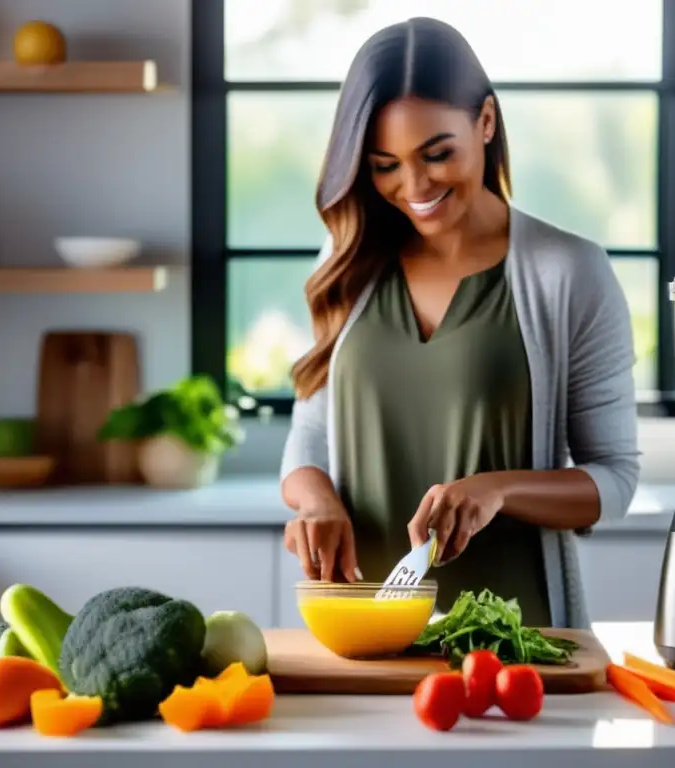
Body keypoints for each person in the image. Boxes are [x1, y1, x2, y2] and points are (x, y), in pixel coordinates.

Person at [279, 16, 640, 628]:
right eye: (384, 164)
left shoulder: (569, 272)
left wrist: (494, 490)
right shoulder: (347, 261)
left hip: (517, 645)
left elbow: (615, 481)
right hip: (362, 638)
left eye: (437, 154)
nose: (413, 186)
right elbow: (308, 442)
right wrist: (316, 503)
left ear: (487, 121)